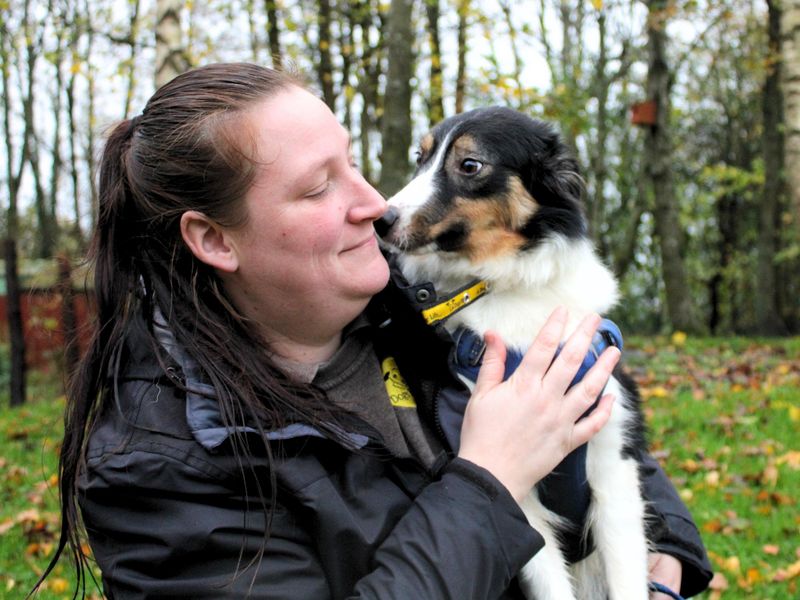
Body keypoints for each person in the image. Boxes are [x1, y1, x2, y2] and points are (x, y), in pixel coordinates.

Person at [40, 63, 711, 599]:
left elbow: (613, 450)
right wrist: (490, 480)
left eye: (353, 163)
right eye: (317, 188)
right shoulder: (160, 468)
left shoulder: (420, 302)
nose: (375, 202)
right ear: (214, 239)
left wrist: (666, 564)